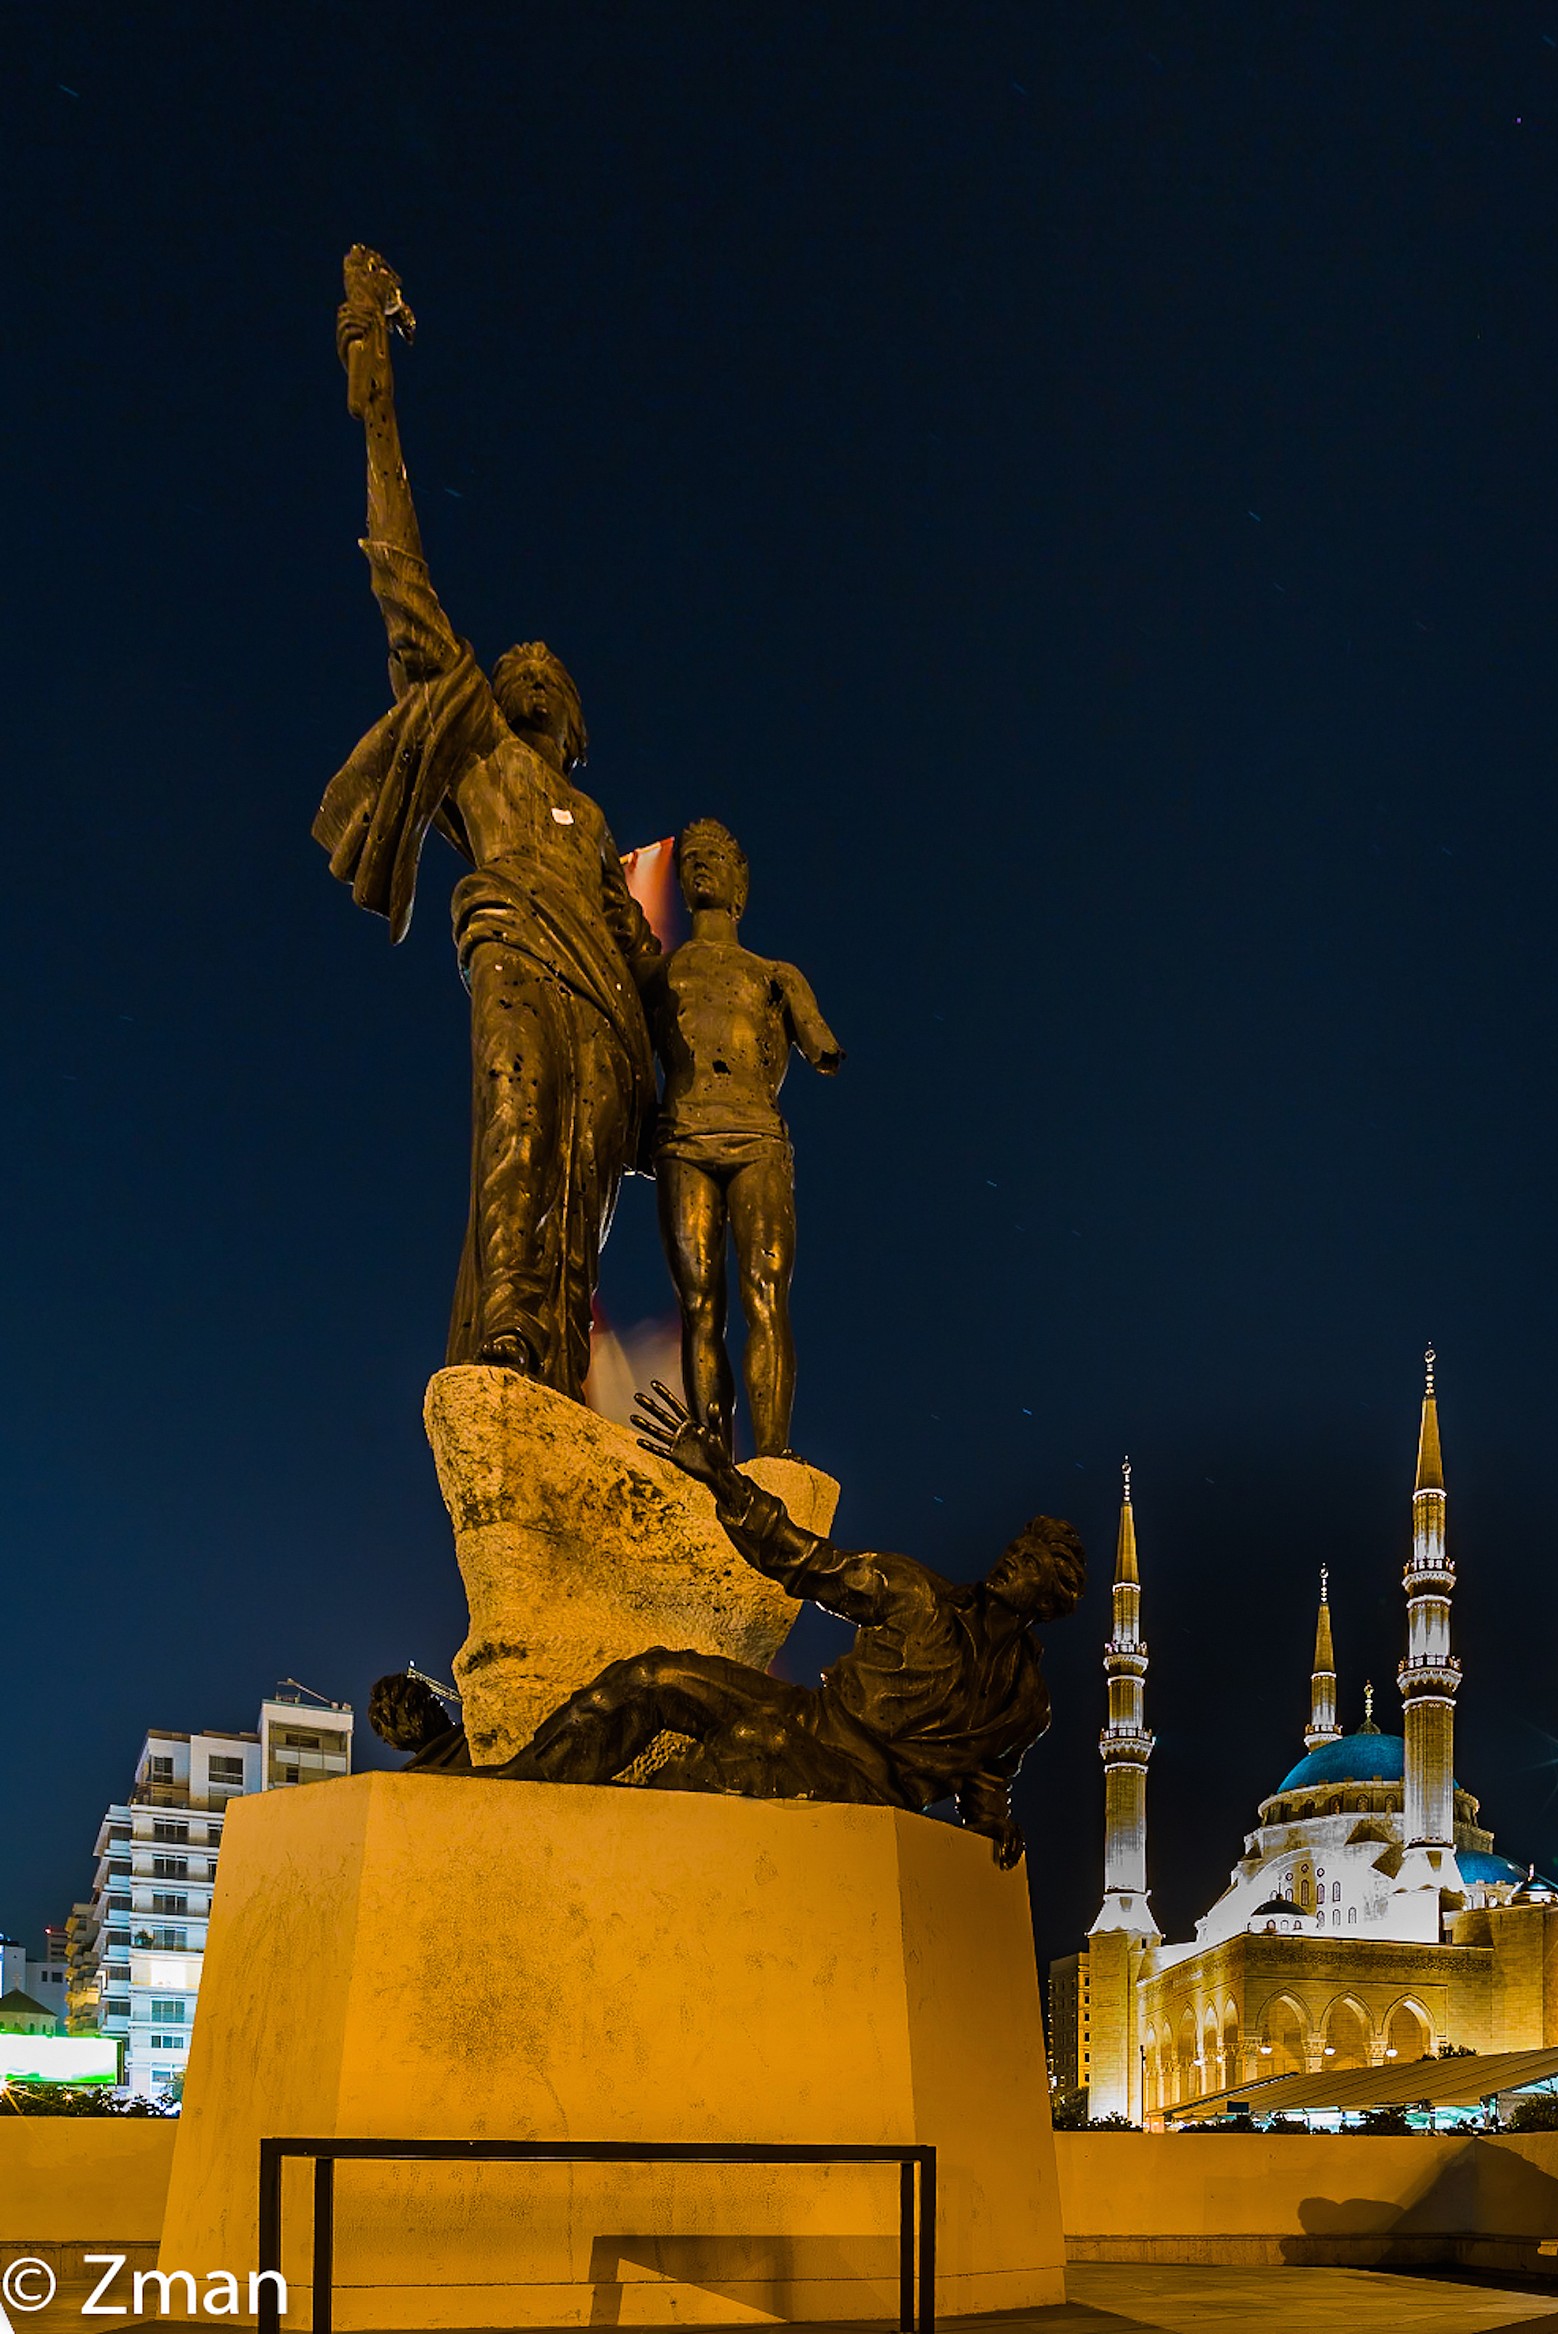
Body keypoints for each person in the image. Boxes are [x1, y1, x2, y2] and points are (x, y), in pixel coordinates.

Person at [312, 246, 661, 1399]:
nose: (532, 673)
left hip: (607, 1009)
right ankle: (508, 1352)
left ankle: (556, 1376)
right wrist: (373, 376)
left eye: (552, 673)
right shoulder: (472, 743)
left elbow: (641, 953)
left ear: (580, 719)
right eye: (518, 665)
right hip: (513, 952)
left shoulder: (596, 816)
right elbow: (402, 574)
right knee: (518, 1157)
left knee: (583, 1210)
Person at [493, 1385, 1083, 1865]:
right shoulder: (915, 1594)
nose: (1012, 1560)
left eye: (1031, 1563)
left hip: (870, 1785)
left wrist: (994, 1826)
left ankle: (595, 1851)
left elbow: (986, 1780)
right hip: (813, 1715)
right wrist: (724, 1480)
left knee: (755, 1748)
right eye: (1017, 1548)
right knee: (658, 1675)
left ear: (1049, 1600)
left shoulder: (1025, 1704)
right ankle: (499, 1792)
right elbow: (803, 1561)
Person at [652, 818, 843, 1456]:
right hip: (684, 1136)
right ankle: (711, 1446)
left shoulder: (774, 976)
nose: (701, 867)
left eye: (715, 859)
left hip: (758, 1134)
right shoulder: (663, 973)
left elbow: (820, 1041)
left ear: (741, 884)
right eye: (692, 860)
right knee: (700, 1301)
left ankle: (773, 1452)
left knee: (765, 1292)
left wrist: (816, 1039)